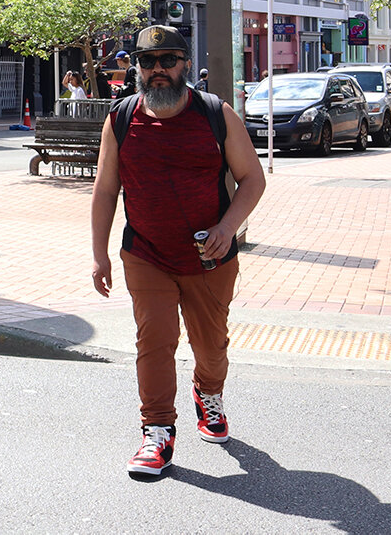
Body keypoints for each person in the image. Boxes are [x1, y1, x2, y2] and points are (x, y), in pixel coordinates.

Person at [89, 24, 266, 479]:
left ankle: (208, 393)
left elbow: (253, 179)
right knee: (154, 341)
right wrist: (99, 253)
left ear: (186, 64)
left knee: (211, 346)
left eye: (168, 60)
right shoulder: (121, 118)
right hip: (147, 253)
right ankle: (157, 431)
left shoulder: (215, 114)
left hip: (210, 257)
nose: (158, 70)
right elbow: (105, 189)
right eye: (148, 62)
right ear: (138, 69)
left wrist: (228, 228)